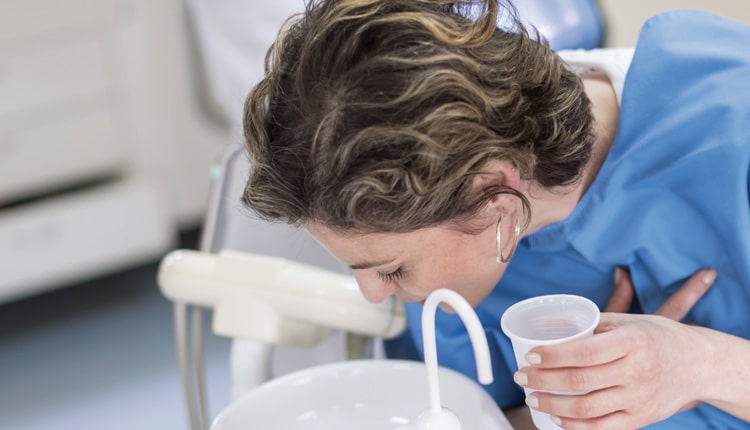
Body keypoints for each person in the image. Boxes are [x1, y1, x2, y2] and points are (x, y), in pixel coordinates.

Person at [240, 0, 750, 428]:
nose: (373, 294)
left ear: (495, 200)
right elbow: (484, 416)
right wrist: (576, 403)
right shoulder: (451, 273)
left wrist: (701, 366)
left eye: (391, 268)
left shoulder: (729, 121)